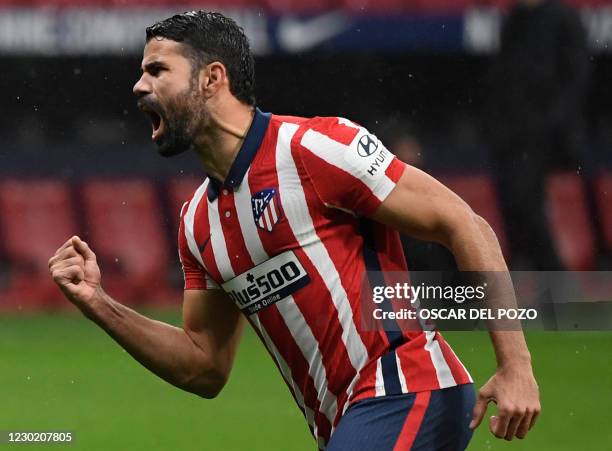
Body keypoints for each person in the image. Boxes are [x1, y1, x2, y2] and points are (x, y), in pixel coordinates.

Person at [48, 11, 540, 450]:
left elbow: (465, 224)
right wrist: (99, 304)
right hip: (346, 425)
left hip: (407, 389)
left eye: (157, 70)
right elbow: (204, 365)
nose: (139, 86)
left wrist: (515, 366)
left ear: (212, 79)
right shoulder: (197, 223)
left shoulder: (314, 148)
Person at [486, 0, 590, 270]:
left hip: (550, 137)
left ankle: (555, 276)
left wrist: (552, 125)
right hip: (513, 136)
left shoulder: (564, 18)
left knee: (528, 202)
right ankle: (537, 274)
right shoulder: (515, 21)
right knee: (515, 203)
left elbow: (576, 78)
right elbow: (502, 77)